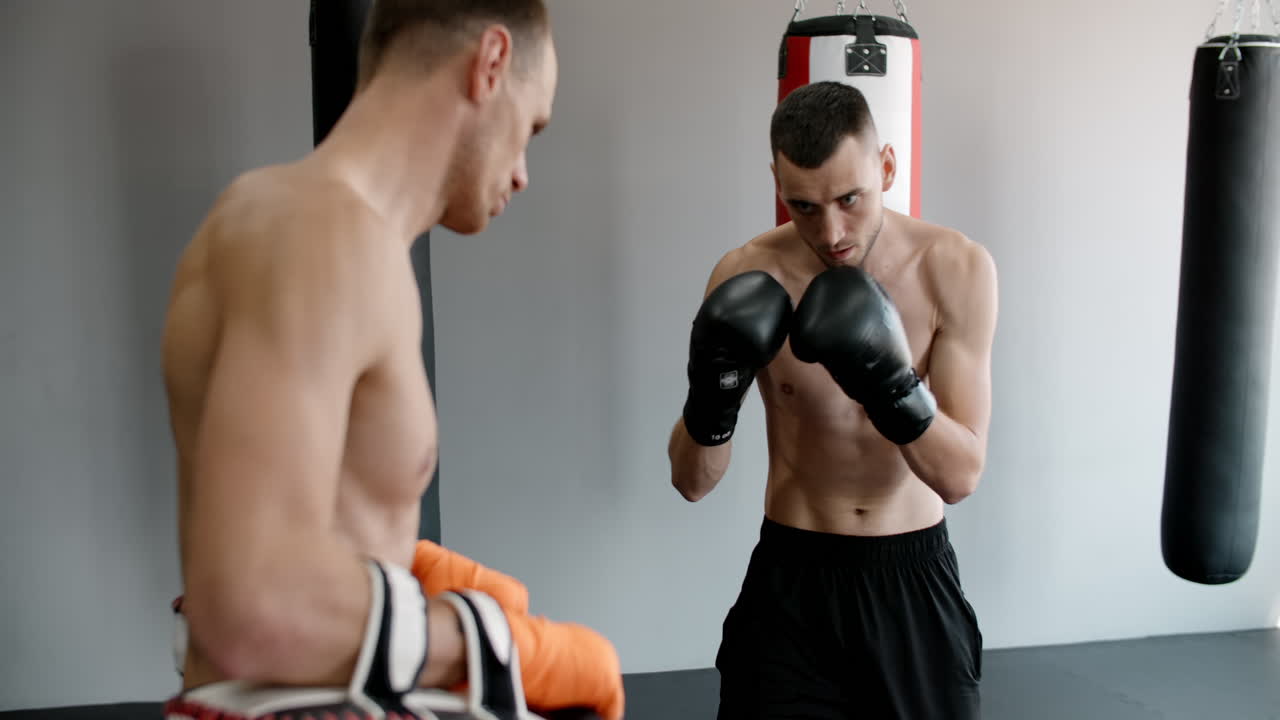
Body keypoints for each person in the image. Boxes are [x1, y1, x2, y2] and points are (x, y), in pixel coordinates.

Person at [161, 2, 622, 718]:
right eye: (530, 128)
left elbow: (295, 525)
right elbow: (253, 601)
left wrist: (404, 570)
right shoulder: (321, 231)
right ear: (491, 62)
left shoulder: (310, 227)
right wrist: (493, 641)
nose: (523, 173)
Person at [669, 80, 999, 719]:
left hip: (912, 579)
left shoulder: (955, 268)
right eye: (804, 207)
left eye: (850, 199)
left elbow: (961, 477)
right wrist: (712, 393)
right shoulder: (747, 274)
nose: (832, 231)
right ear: (777, 184)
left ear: (887, 167)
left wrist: (892, 384)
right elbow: (692, 481)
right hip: (791, 582)